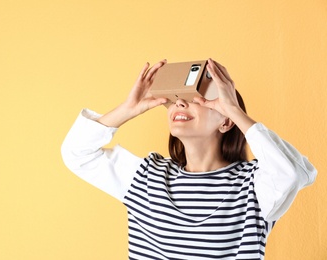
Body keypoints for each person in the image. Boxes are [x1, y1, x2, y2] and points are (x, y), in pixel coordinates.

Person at [61, 59, 317, 260]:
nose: (179, 104)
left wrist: (235, 111)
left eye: (200, 98)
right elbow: (76, 153)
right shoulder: (145, 176)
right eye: (174, 99)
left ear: (226, 120)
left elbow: (294, 172)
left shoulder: (253, 185)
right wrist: (127, 109)